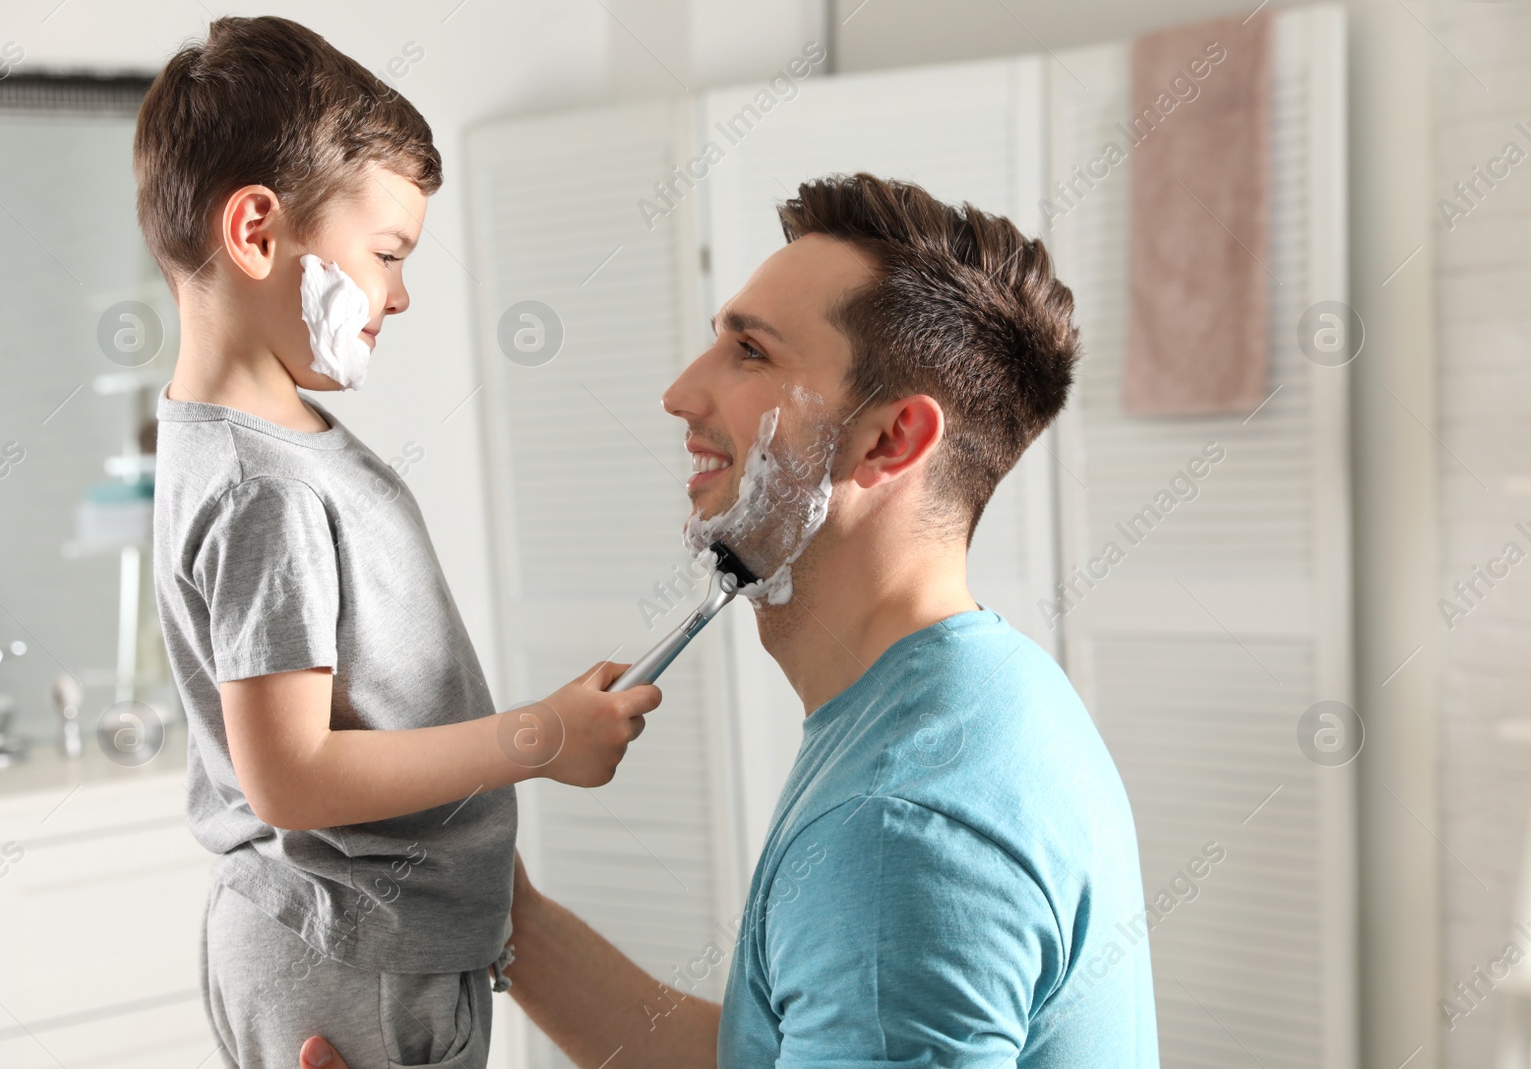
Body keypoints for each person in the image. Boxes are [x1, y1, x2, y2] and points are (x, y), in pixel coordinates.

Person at [299, 172, 1159, 1068]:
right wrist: (503, 914)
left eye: (751, 353)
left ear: (890, 440)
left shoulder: (898, 833)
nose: (679, 393)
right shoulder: (986, 689)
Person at [140, 17, 661, 1069]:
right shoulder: (262, 490)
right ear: (254, 233)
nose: (403, 292)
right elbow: (291, 774)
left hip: (349, 942)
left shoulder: (263, 449)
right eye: (386, 254)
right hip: (350, 950)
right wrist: (537, 739)